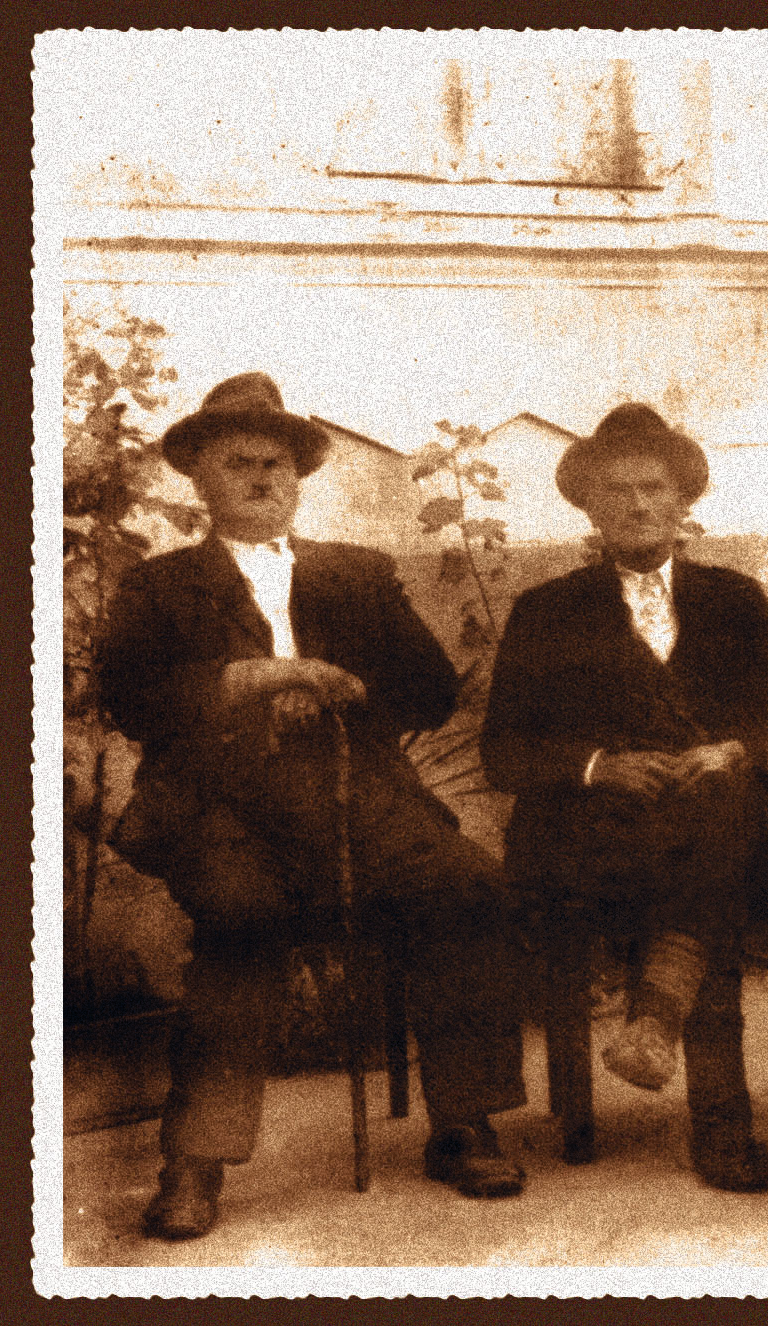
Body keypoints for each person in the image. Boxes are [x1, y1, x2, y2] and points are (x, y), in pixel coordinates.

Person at [97, 372, 529, 1240]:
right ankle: (195, 1161)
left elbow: (429, 688)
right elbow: (134, 700)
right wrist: (252, 678)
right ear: (199, 477)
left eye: (277, 464)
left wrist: (342, 685)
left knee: (467, 884)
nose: (263, 478)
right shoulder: (159, 585)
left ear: (297, 476)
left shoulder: (356, 574)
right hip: (218, 803)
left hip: (355, 787)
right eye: (240, 463)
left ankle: (464, 1122)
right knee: (242, 913)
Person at [480, 403, 768, 1193]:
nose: (637, 505)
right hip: (596, 836)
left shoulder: (734, 599)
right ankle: (722, 1125)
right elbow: (504, 751)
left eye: (654, 488)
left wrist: (733, 750)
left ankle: (659, 1022)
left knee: (719, 817)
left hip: (732, 826)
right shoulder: (546, 612)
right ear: (590, 509)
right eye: (618, 490)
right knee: (707, 879)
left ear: (682, 502)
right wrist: (598, 766)